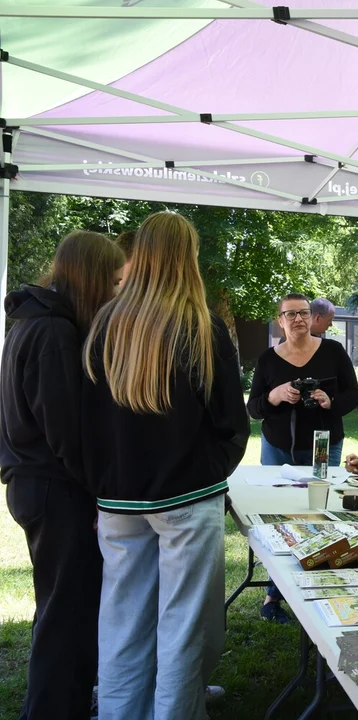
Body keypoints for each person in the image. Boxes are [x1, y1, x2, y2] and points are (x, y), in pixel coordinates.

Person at [82, 211, 249, 720]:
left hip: (119, 498)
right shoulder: (201, 326)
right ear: (187, 256)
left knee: (121, 622)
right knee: (182, 626)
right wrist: (210, 469)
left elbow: (86, 420)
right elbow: (230, 419)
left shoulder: (106, 323)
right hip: (184, 497)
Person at [0, 231, 124, 720]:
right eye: (113, 283)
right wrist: (99, 494)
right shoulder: (53, 331)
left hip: (37, 484)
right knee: (65, 616)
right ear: (91, 278)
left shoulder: (33, 322)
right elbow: (65, 433)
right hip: (54, 489)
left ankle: (65, 702)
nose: (116, 293)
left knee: (60, 609)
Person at [248, 293, 358, 622]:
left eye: (303, 313)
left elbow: (353, 394)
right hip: (278, 447)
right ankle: (274, 594)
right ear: (279, 321)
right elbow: (253, 409)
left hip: (323, 448)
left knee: (319, 514)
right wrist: (275, 394)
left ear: (313, 318)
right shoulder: (268, 359)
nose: (298, 319)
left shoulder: (333, 351)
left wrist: (330, 401)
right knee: (279, 519)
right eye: (290, 314)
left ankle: (318, 587)